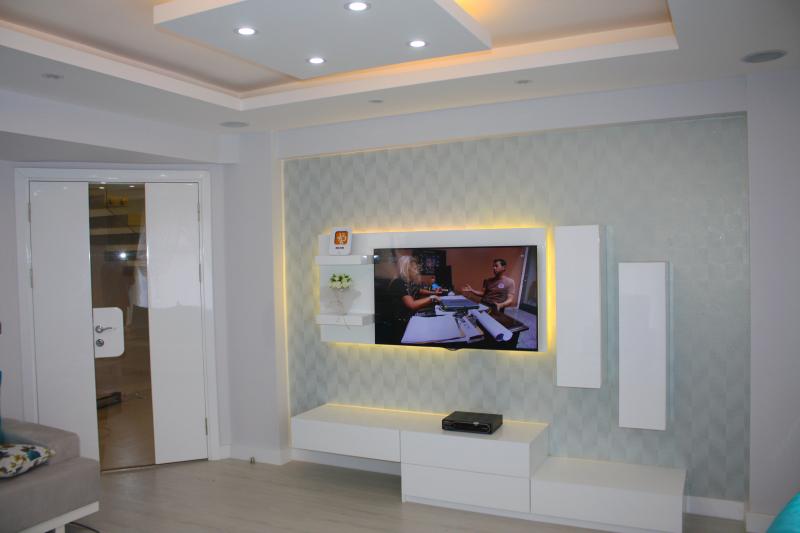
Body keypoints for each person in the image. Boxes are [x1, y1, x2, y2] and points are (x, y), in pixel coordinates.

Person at [387, 255, 441, 320]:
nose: (417, 271)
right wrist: (432, 297)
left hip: (410, 314)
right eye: (414, 269)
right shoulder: (399, 282)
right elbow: (412, 305)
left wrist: (434, 293)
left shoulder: (409, 281)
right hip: (402, 320)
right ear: (406, 269)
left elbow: (418, 290)